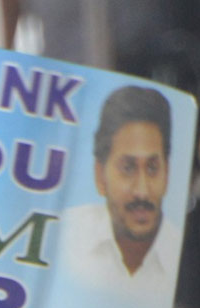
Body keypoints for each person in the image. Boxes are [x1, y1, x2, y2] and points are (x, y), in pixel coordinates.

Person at [61, 86, 179, 294]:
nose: (142, 191)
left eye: (153, 168)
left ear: (167, 173)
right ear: (100, 176)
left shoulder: (183, 254)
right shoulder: (64, 239)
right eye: (127, 168)